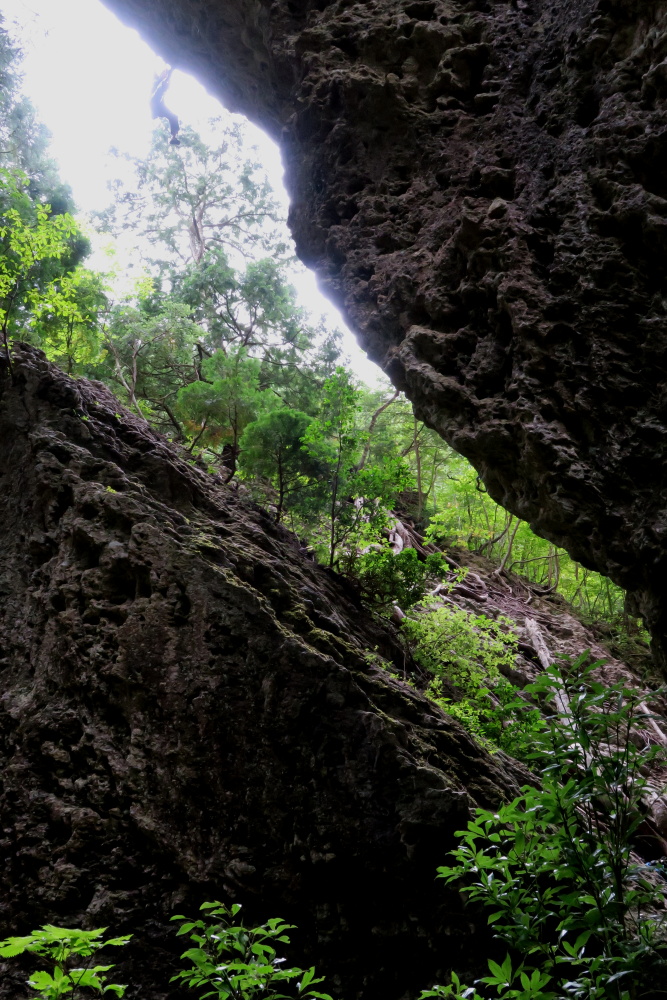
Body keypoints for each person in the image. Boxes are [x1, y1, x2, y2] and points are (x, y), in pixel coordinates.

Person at [150, 68, 180, 146]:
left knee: (174, 117)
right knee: (160, 89)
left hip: (159, 106)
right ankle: (165, 82)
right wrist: (161, 78)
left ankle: (173, 137)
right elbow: (153, 88)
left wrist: (167, 76)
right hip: (153, 104)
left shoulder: (160, 83)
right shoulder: (154, 83)